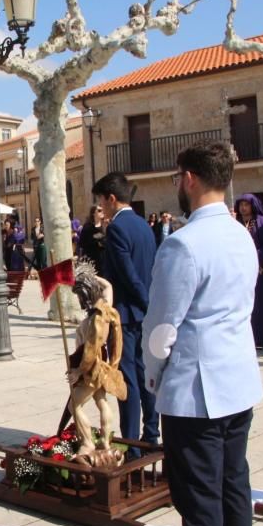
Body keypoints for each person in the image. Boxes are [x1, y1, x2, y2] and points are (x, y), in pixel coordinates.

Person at [142, 142, 263, 526]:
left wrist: (154, 375)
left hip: (196, 390)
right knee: (233, 485)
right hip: (237, 380)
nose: (178, 184)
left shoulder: (183, 244)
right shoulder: (241, 235)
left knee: (200, 498)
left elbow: (161, 328)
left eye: (178, 177)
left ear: (189, 178)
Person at [93, 172, 159, 449]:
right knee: (146, 376)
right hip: (144, 313)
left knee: (127, 378)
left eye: (101, 202)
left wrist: (145, 302)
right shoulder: (143, 224)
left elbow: (129, 275)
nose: (100, 208)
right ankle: (151, 434)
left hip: (128, 315)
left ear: (111, 199)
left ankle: (131, 443)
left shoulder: (118, 228)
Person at [236, 194, 263, 349]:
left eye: (246, 204)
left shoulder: (261, 223)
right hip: (239, 270)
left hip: (258, 270)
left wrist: (253, 256)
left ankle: (261, 339)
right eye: (241, 205)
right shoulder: (236, 223)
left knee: (259, 304)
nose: (243, 208)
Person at [78, 205, 107, 275]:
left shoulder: (105, 225)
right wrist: (96, 239)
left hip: (104, 260)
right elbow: (81, 243)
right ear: (93, 213)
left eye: (103, 210)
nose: (102, 212)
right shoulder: (87, 227)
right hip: (92, 260)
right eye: (99, 211)